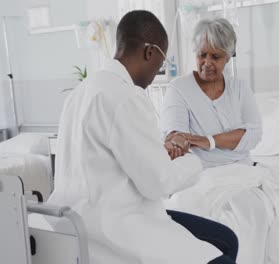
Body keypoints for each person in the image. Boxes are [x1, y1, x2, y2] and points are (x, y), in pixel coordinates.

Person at [47, 11, 238, 264]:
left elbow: (113, 155)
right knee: (222, 254)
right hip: (115, 232)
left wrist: (161, 152)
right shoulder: (126, 97)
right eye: (160, 63)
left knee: (226, 238)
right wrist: (193, 158)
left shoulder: (81, 92)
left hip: (75, 224)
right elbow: (159, 183)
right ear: (149, 52)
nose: (157, 72)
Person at [160, 18, 262, 168]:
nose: (207, 63)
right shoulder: (178, 88)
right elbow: (176, 135)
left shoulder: (239, 87)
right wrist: (176, 143)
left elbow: (253, 135)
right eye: (202, 55)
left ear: (227, 57)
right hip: (200, 172)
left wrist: (208, 141)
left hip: (241, 168)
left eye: (215, 57)